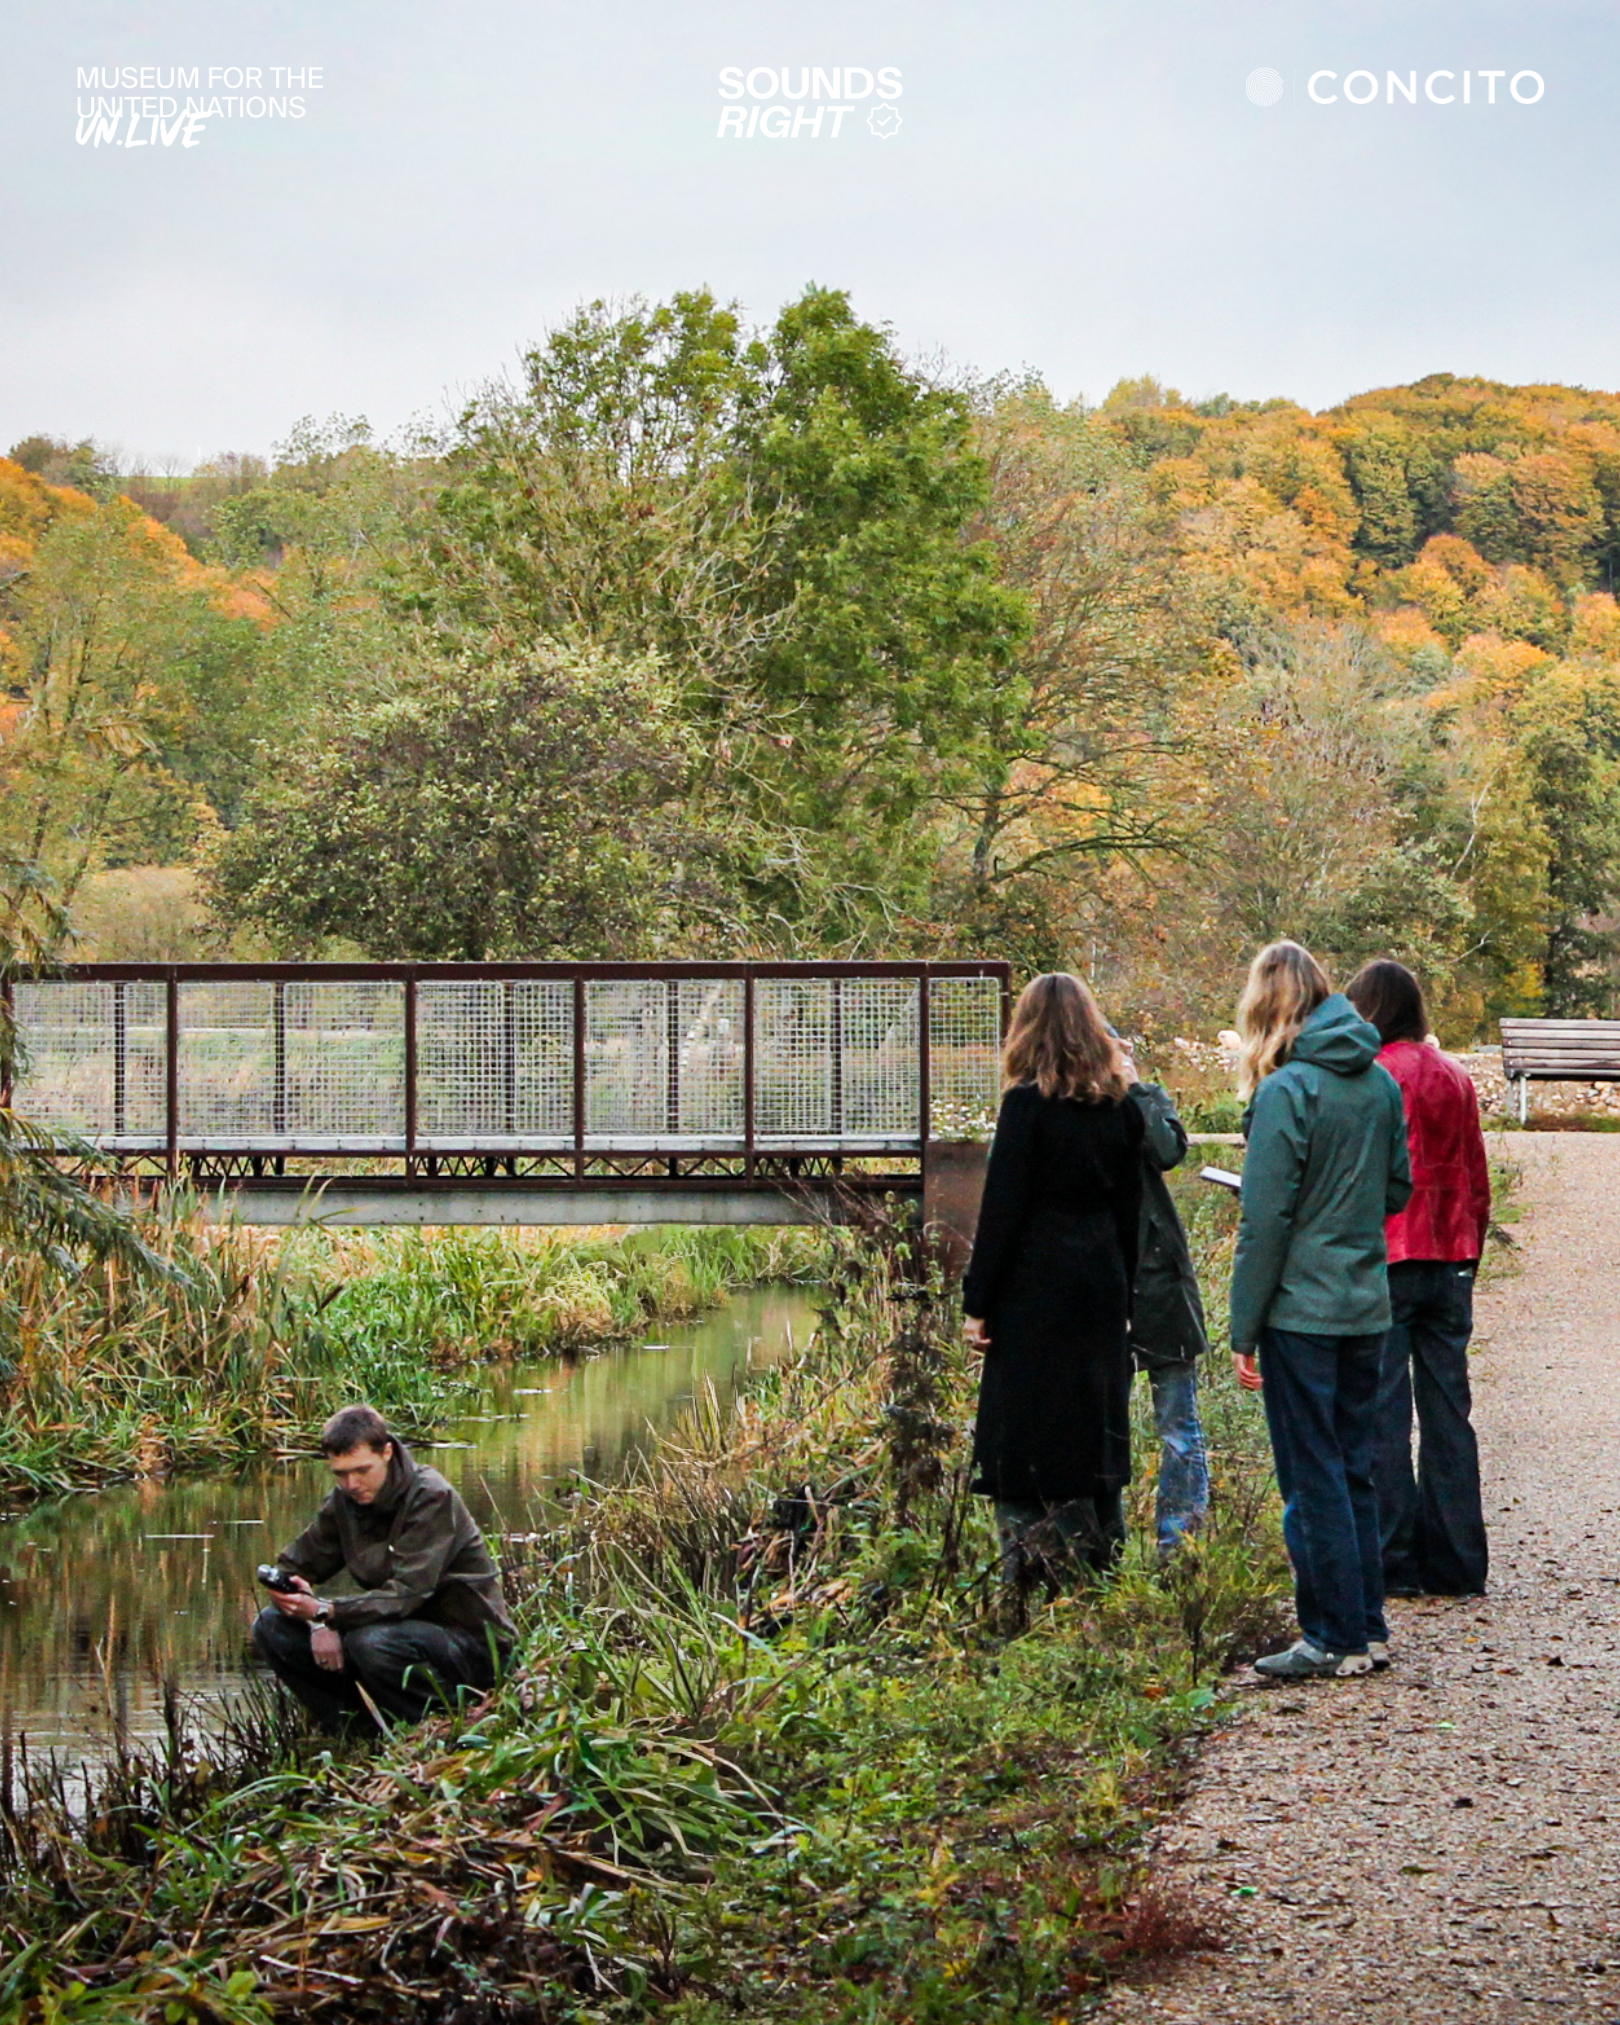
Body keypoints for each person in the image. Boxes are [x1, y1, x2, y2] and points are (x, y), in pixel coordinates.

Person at [1229, 942, 1412, 1681]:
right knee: (1354, 1468)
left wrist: (1243, 1328)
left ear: (1266, 1005)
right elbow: (1397, 1189)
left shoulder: (1287, 1091)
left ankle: (1330, 1634)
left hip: (1302, 1311)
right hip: (1367, 1303)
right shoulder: (1379, 1084)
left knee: (1311, 1474)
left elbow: (1263, 1223)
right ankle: (1366, 1626)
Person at [961, 972, 1144, 1591]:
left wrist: (977, 1303)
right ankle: (1101, 1562)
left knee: (1025, 1428)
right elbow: (1132, 1209)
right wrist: (1127, 1292)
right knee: (1093, 1421)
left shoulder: (1025, 1107)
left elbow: (1001, 1210)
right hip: (1101, 1280)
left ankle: (1029, 1575)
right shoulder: (1120, 1106)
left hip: (1035, 1284)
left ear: (1026, 1030)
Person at [1344, 959, 1491, 1597]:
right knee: (1448, 1413)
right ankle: (1459, 1563)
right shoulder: (1454, 1076)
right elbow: (1476, 1175)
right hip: (1452, 1255)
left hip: (1392, 1256)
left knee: (1383, 1413)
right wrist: (1472, 1250)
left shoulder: (1374, 1076)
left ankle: (1395, 1562)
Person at [252, 1403, 515, 1735]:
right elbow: (292, 1567)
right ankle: (355, 1730)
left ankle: (438, 1728)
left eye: (362, 1470)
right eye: (341, 1474)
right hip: (398, 1634)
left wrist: (326, 1610)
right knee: (271, 1627)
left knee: (371, 1642)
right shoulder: (344, 1503)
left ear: (387, 1452)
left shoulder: (431, 1497)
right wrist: (316, 1622)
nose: (351, 1483)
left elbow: (405, 1595)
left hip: (473, 1646)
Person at [1121, 1058, 1211, 1555]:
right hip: (1105, 1281)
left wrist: (1134, 1087)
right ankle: (1104, 1543)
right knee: (1101, 1422)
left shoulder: (1144, 1098)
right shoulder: (1067, 1108)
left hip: (1159, 1283)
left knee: (1178, 1424)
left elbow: (1167, 1150)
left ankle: (1179, 1546)